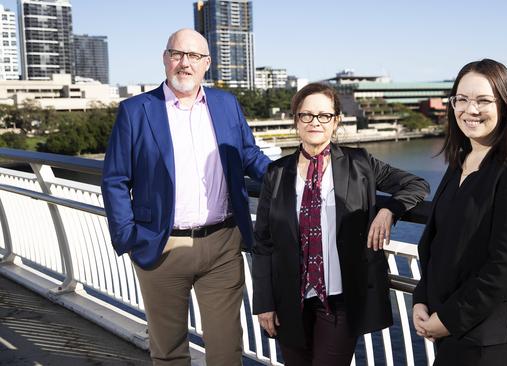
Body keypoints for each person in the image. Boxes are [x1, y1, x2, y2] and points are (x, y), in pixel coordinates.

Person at [101, 28, 270, 365]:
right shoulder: (136, 111)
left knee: (226, 349)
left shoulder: (226, 104)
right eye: (177, 54)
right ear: (165, 59)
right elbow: (115, 179)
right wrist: (129, 237)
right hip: (162, 245)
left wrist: (291, 178)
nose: (185, 63)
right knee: (168, 351)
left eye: (194, 56)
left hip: (223, 244)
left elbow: (249, 155)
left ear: (206, 63)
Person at [252, 83, 430, 365]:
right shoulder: (277, 173)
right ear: (296, 120)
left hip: (339, 299)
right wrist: (264, 302)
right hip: (288, 299)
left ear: (336, 121)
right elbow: (262, 243)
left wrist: (389, 211)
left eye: (324, 115)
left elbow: (416, 185)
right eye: (306, 115)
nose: (315, 122)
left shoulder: (359, 164)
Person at [412, 59, 507, 365]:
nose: (470, 110)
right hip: (451, 329)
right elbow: (439, 242)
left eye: (483, 100)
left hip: (490, 338)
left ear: (506, 105)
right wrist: (421, 298)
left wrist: (446, 319)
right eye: (462, 99)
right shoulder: (461, 161)